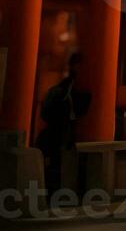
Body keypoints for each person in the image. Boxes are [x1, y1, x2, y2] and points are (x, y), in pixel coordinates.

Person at [36, 52, 90, 192]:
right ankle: (59, 190)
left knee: (58, 162)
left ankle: (57, 189)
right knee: (60, 163)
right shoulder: (69, 87)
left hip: (61, 129)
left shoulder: (66, 86)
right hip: (63, 129)